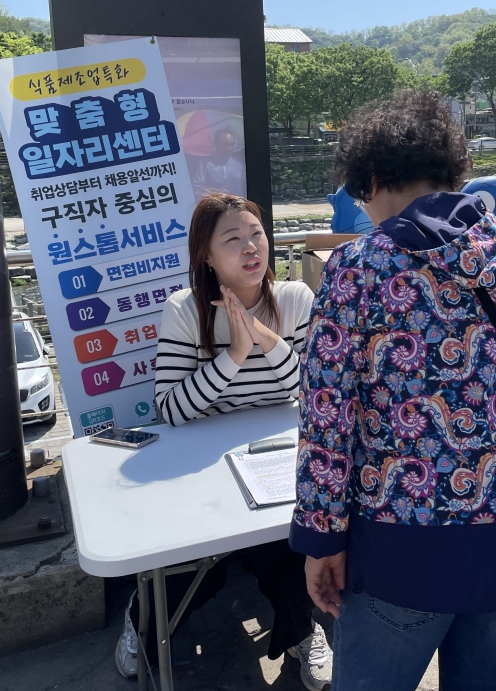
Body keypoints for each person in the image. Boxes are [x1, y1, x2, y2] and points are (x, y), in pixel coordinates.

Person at [289, 90, 496, 690]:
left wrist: (321, 537)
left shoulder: (360, 268)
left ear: (376, 176)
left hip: (400, 548)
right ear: (451, 170)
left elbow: (328, 418)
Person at [115, 193, 333, 691]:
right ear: (207, 256)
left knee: (293, 547)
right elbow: (170, 409)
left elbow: (314, 391)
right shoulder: (185, 312)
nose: (250, 247)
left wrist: (265, 337)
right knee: (197, 569)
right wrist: (233, 354)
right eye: (232, 239)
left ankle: (303, 631)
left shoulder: (297, 299)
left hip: (275, 455)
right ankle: (141, 624)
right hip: (202, 464)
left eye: (255, 233)